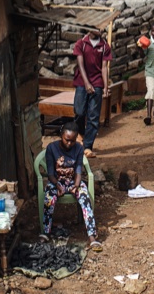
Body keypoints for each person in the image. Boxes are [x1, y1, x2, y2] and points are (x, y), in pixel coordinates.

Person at [41, 122, 102, 251]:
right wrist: (57, 185)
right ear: (61, 136)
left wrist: (76, 185)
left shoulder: (79, 148)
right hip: (56, 181)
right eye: (67, 140)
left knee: (85, 199)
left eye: (73, 141)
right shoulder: (51, 148)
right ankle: (46, 232)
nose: (69, 143)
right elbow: (50, 173)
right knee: (48, 199)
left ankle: (92, 236)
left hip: (73, 181)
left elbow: (78, 170)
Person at [72, 27, 112, 157]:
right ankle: (81, 133)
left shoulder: (104, 46)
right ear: (89, 28)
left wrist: (105, 86)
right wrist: (86, 83)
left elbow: (104, 67)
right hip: (81, 82)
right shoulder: (81, 44)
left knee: (93, 116)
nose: (100, 29)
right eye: (97, 27)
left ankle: (87, 146)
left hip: (97, 83)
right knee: (79, 112)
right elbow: (80, 65)